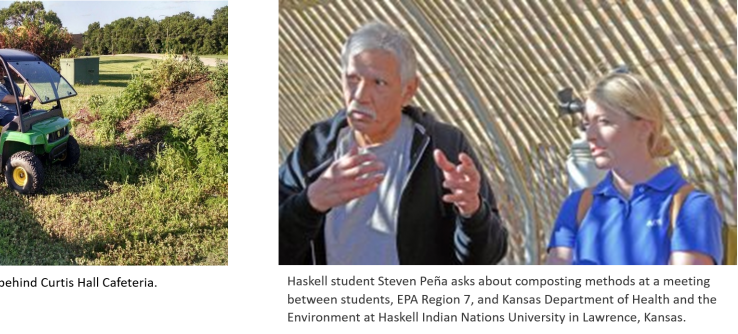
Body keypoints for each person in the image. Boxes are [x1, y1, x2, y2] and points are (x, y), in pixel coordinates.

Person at [277, 21, 507, 266]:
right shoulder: (317, 148)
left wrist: (472, 211)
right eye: (353, 79)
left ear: (408, 90)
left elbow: (486, 257)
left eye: (379, 83)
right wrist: (311, 202)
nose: (360, 95)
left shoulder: (443, 147)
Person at [546, 71, 723, 266]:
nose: (590, 135)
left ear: (644, 128)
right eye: (586, 124)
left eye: (604, 121)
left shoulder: (690, 208)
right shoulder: (577, 206)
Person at [0, 62, 36, 126]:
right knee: (20, 121)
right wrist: (24, 98)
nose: (0, 73)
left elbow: (19, 93)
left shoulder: (8, 80)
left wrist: (27, 99)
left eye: (1, 70)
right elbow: (7, 99)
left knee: (36, 115)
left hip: (17, 111)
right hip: (3, 116)